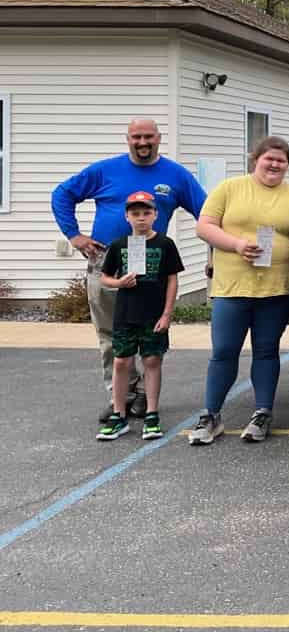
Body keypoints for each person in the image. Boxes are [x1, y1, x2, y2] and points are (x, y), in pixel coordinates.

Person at [51, 118, 205, 422]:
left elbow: (207, 212)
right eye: (137, 137)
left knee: (150, 332)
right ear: (128, 139)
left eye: (148, 136)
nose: (143, 142)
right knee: (111, 333)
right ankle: (121, 395)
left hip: (154, 264)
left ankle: (146, 398)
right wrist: (74, 235)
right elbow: (62, 194)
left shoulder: (176, 176)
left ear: (159, 138)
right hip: (107, 259)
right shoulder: (104, 170)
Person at [190, 136, 289, 446]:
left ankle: (262, 413)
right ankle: (211, 415)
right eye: (268, 159)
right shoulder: (230, 188)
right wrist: (236, 244)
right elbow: (204, 226)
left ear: (288, 165)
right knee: (223, 351)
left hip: (276, 289)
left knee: (266, 350)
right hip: (232, 287)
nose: (274, 164)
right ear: (255, 160)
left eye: (281, 161)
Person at [95, 191, 184, 441]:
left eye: (146, 213)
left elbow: (172, 279)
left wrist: (167, 314)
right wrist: (119, 282)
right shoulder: (119, 245)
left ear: (155, 214)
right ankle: (119, 415)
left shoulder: (165, 244)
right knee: (121, 361)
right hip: (125, 314)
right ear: (127, 216)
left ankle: (152, 414)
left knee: (152, 360)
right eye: (135, 214)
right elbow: (105, 276)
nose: (141, 218)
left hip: (153, 314)